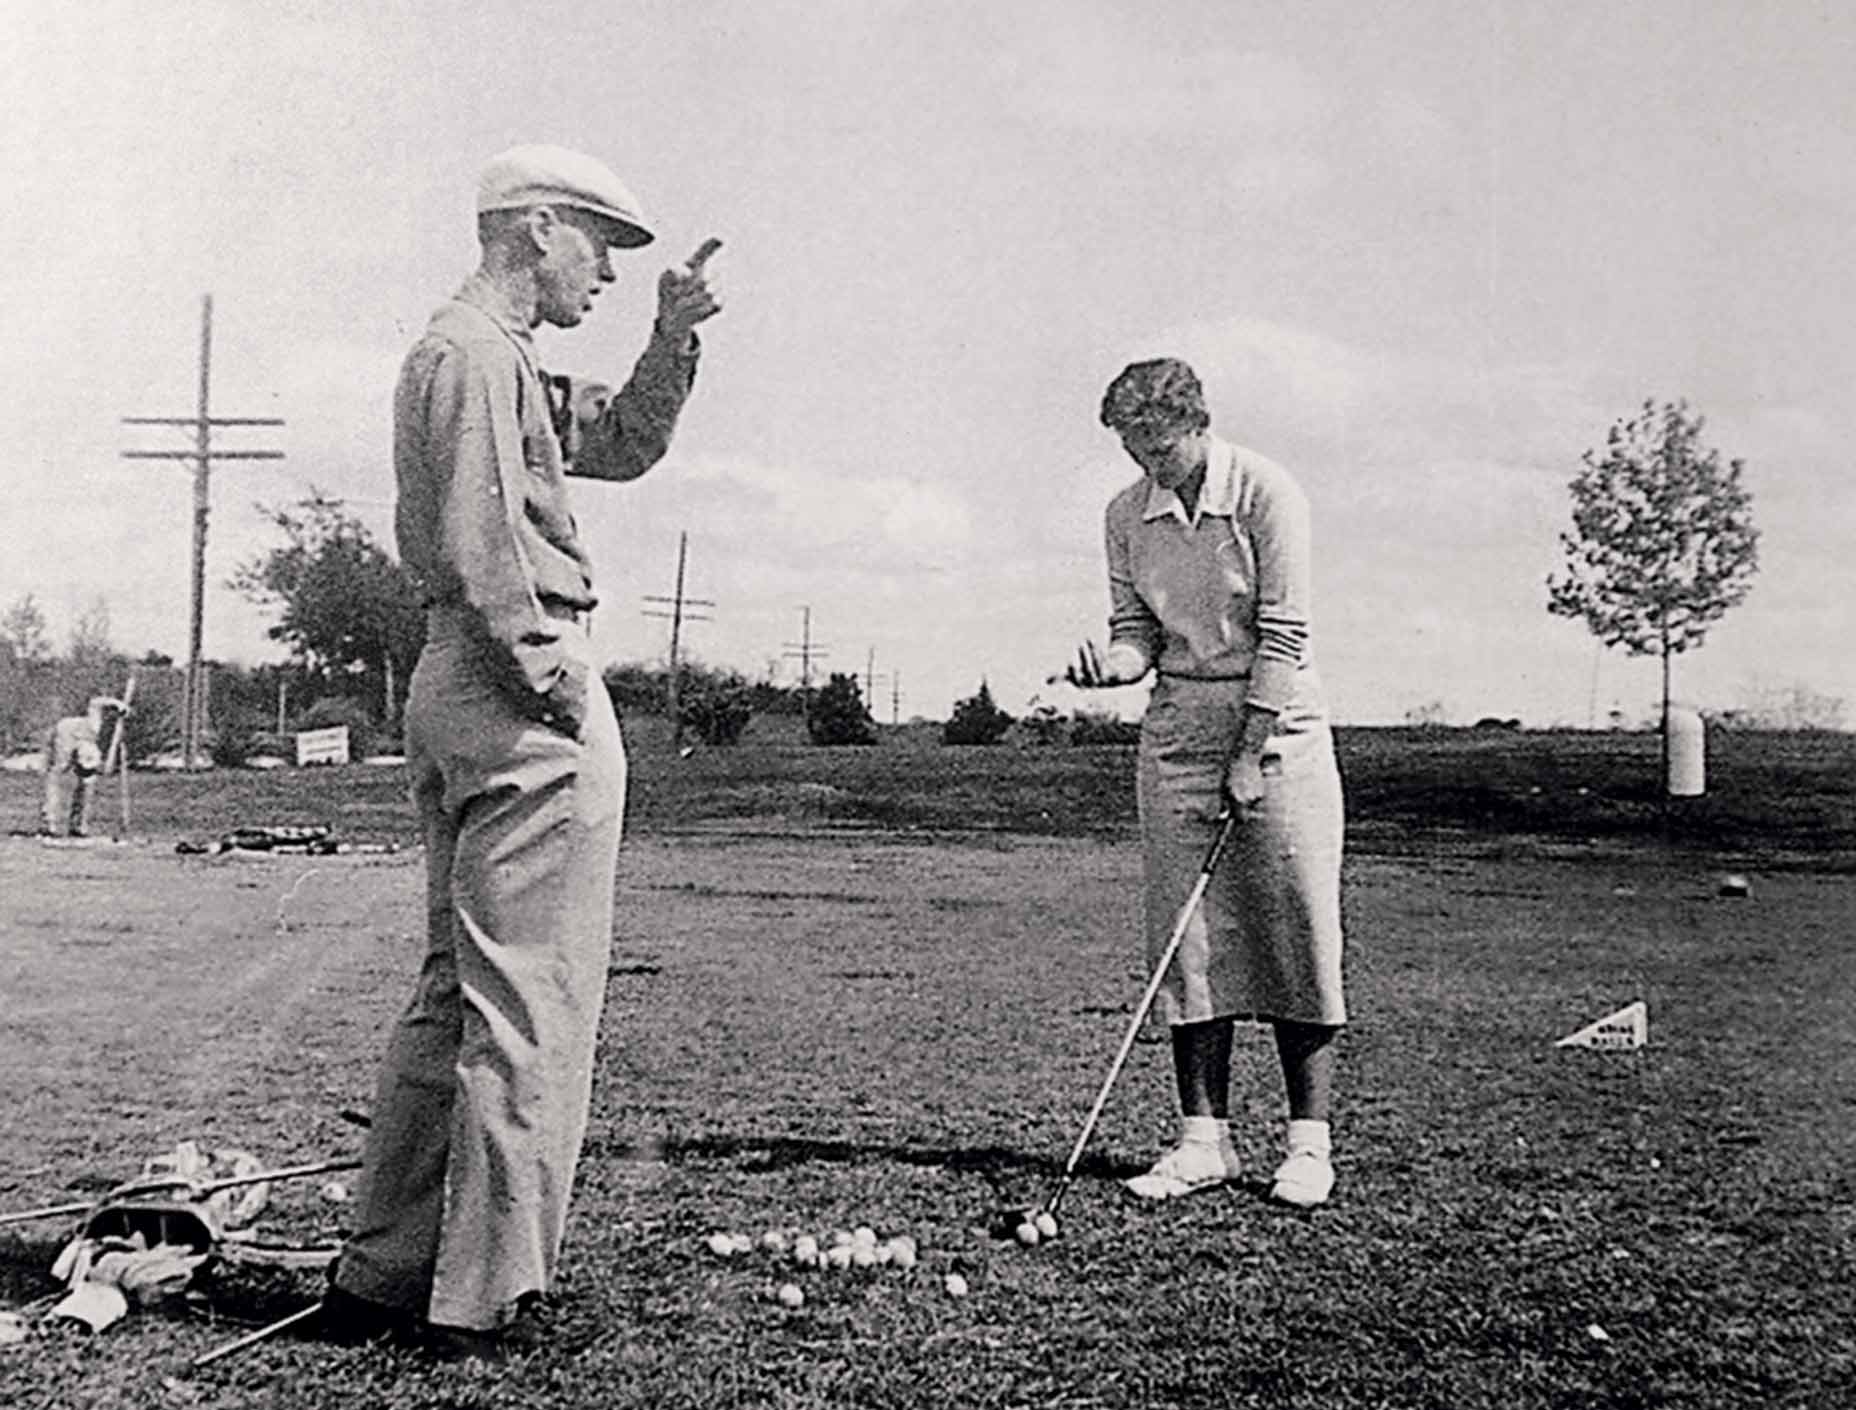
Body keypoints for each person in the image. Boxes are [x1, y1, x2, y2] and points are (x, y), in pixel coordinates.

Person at [324, 144, 722, 1356]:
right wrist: (555, 684)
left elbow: (627, 445)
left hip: (467, 680)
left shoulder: (496, 359)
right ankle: (486, 1292)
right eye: (596, 242)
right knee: (526, 1001)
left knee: (456, 994)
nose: (603, 269)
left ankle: (384, 1279)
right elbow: (487, 538)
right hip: (513, 683)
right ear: (532, 227)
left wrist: (673, 339)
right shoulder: (473, 354)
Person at [1061, 357, 1347, 1209]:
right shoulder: (1126, 514)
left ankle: (1307, 1146)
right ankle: (1202, 1143)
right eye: (1129, 442)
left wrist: (1252, 754)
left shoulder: (1267, 492)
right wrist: (1111, 670)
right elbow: (1135, 629)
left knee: (1294, 924)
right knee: (1187, 942)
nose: (1145, 458)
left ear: (1197, 421)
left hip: (1279, 724)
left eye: (1157, 438)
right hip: (1177, 729)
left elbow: (1285, 635)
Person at [40, 696, 126, 838]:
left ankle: (79, 825)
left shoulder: (108, 734)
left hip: (85, 745)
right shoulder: (93, 722)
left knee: (87, 780)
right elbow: (95, 702)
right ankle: (50, 822)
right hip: (67, 734)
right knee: (57, 774)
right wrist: (116, 703)